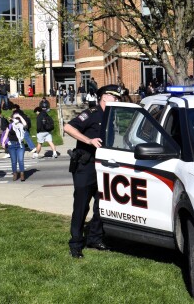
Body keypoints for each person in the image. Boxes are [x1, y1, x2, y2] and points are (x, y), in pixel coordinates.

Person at [63, 84, 121, 258]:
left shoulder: (112, 115)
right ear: (104, 96)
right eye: (114, 96)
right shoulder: (92, 113)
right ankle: (76, 244)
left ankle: (95, 238)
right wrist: (88, 141)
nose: (117, 99)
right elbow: (68, 127)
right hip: (85, 166)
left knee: (100, 205)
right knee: (81, 206)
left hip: (103, 166)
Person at [0, 111, 27, 181]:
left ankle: (22, 174)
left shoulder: (21, 125)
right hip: (11, 145)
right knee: (14, 161)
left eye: (17, 118)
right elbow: (6, 134)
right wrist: (3, 142)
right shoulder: (10, 125)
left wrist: (20, 116)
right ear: (12, 118)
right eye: (15, 118)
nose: (16, 119)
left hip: (20, 145)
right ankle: (15, 174)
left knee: (21, 160)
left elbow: (25, 124)